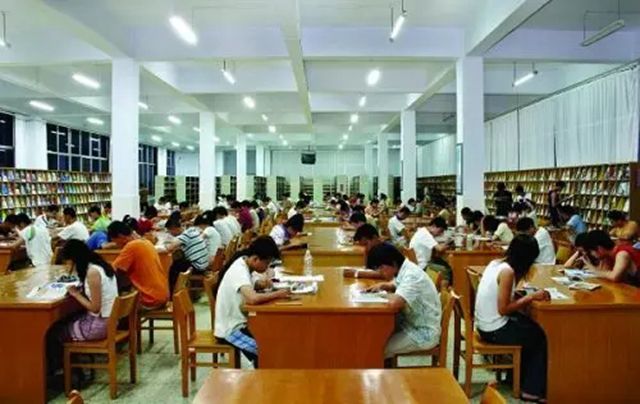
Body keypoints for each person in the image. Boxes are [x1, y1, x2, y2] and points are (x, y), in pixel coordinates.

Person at [475, 234, 549, 402]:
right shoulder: (507, 272)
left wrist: (517, 295)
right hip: (494, 329)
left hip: (484, 325)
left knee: (530, 328)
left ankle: (515, 378)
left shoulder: (496, 263)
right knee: (540, 337)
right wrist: (530, 297)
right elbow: (503, 309)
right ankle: (531, 389)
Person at [214, 236, 289, 365]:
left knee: (273, 339)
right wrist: (279, 294)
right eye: (266, 263)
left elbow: (253, 284)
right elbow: (252, 298)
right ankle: (262, 376)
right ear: (255, 259)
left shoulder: (245, 263)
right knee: (265, 351)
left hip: (242, 322)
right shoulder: (239, 270)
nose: (267, 267)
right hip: (231, 329)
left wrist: (263, 284)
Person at [364, 243, 441, 360]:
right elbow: (399, 284)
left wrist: (379, 296)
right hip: (409, 324)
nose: (380, 272)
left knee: (377, 349)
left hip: (423, 333)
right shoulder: (405, 268)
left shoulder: (412, 275)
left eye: (381, 268)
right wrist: (384, 285)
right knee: (374, 337)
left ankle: (382, 369)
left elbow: (395, 303)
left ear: (393, 263)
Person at [57, 240, 118, 341]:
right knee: (68, 319)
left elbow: (95, 308)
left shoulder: (93, 272)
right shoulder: (101, 265)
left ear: (74, 259)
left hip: (99, 326)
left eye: (69, 262)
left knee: (56, 332)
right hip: (111, 321)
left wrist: (76, 294)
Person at [108, 221, 169, 310]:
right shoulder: (146, 242)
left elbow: (115, 271)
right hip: (162, 295)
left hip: (149, 299)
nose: (116, 245)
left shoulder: (132, 246)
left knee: (113, 305)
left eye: (115, 242)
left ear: (121, 236)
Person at [165, 219, 210, 290]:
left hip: (197, 266)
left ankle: (172, 290)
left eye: (169, 231)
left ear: (174, 229)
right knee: (178, 261)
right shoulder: (192, 230)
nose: (170, 234)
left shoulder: (185, 236)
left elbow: (169, 248)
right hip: (204, 263)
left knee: (173, 268)